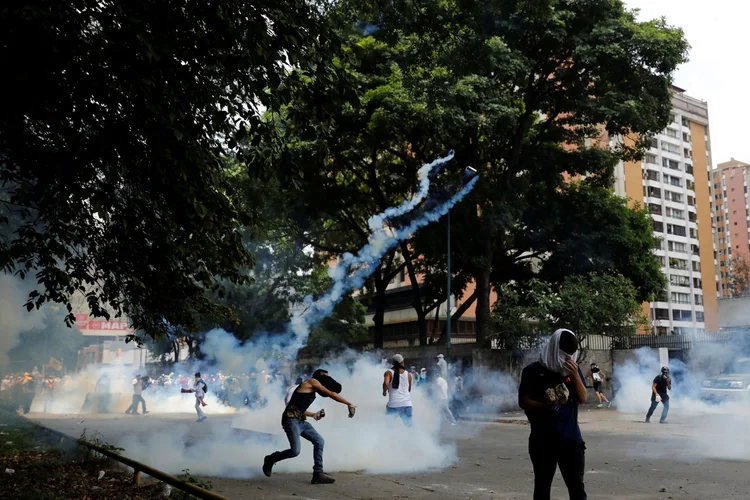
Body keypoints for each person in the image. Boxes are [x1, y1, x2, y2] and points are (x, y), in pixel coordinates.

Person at [518, 329, 588, 500]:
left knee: (576, 487)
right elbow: (523, 401)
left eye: (570, 355)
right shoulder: (532, 371)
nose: (567, 359)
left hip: (570, 440)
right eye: (564, 354)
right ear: (554, 348)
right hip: (542, 440)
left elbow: (582, 398)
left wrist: (575, 376)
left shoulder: (572, 370)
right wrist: (544, 405)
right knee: (542, 486)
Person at [263, 369, 356, 485]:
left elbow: (298, 408)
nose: (327, 379)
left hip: (300, 421)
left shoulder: (313, 389)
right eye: (325, 377)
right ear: (319, 376)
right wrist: (349, 403)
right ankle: (270, 459)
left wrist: (313, 414)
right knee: (295, 451)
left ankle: (318, 473)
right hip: (290, 420)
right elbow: (331, 394)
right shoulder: (312, 382)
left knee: (319, 441)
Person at [383, 354, 413, 426]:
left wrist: (384, 392)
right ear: (402, 362)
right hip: (407, 405)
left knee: (387, 427)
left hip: (393, 405)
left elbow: (386, 383)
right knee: (409, 428)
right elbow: (409, 390)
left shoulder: (388, 373)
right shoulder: (408, 374)